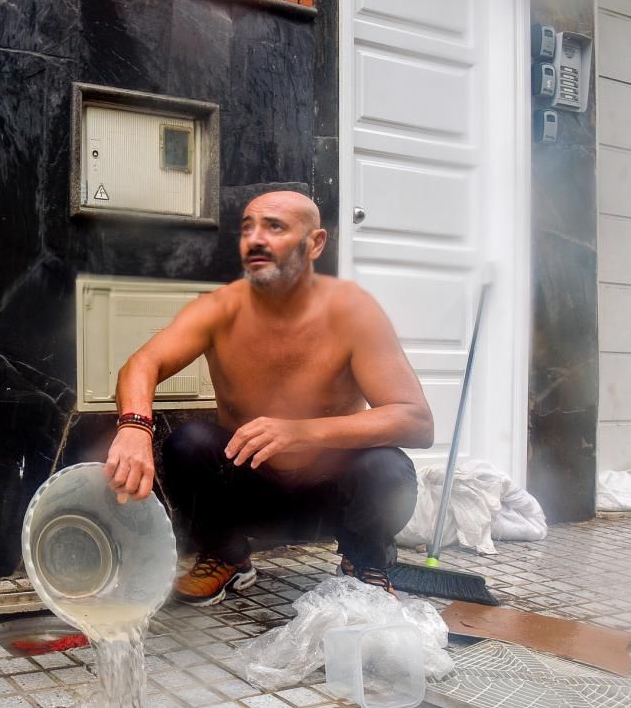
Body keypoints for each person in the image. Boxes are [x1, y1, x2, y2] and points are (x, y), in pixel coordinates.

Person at [104, 190, 433, 605]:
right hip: (254, 492)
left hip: (330, 496)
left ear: (315, 243)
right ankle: (226, 557)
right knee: (188, 445)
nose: (255, 240)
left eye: (274, 227)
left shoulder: (354, 314)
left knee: (387, 468)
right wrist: (134, 428)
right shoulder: (218, 310)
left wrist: (303, 433)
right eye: (248, 227)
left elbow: (416, 422)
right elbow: (142, 364)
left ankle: (364, 561)